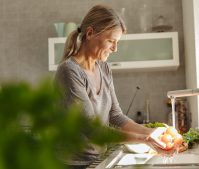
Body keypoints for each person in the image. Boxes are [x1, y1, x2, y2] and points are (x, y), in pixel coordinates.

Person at [54, 4, 173, 169]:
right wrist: (144, 140)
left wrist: (151, 132)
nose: (115, 49)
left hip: (97, 159)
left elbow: (116, 116)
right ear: (90, 33)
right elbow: (93, 131)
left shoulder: (103, 68)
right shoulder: (69, 71)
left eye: (117, 42)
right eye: (111, 41)